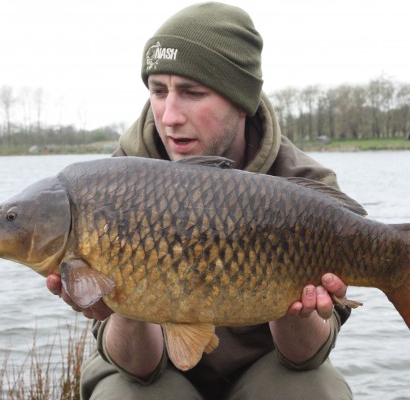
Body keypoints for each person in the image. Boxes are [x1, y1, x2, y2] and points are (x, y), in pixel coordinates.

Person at [47, 2, 353, 399]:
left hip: (269, 366)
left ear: (241, 101)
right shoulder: (109, 188)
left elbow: (304, 358)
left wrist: (298, 305)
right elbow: (138, 368)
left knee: (312, 389)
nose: (170, 115)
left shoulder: (304, 188)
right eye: (159, 91)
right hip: (156, 371)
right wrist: (121, 300)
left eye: (192, 93)